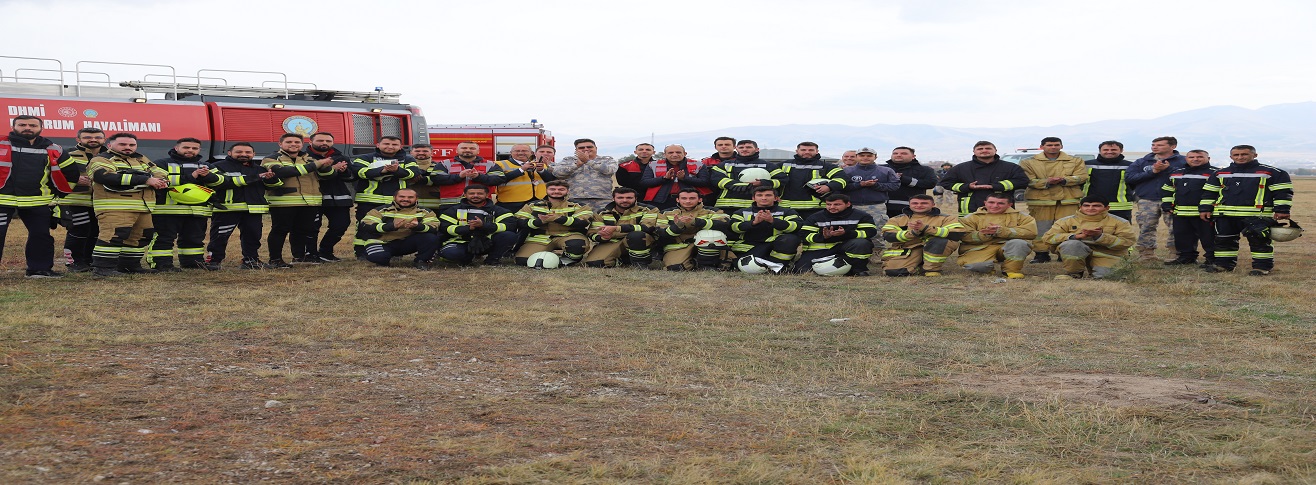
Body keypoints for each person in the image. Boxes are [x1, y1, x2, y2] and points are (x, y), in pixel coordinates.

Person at [1199, 145, 1294, 276]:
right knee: (1223, 241)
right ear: (1231, 157)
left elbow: (1282, 192)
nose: (1240, 157)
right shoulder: (1220, 173)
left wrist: (1282, 210)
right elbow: (1209, 193)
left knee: (1260, 243)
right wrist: (1205, 208)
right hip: (1225, 215)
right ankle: (1224, 265)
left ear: (1255, 155)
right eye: (1236, 155)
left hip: (1257, 216)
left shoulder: (1273, 173)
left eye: (1244, 154)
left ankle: (1262, 267)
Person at [85, 133, 169, 276]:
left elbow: (160, 172)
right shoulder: (101, 159)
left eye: (132, 145)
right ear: (110, 145)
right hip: (114, 206)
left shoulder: (141, 159)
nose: (128, 148)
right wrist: (145, 180)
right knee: (113, 236)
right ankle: (103, 269)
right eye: (123, 144)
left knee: (141, 236)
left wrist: (161, 181)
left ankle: (129, 266)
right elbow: (104, 176)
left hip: (144, 206)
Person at [0, 115, 73, 278]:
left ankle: (39, 270)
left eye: (32, 125)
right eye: (22, 124)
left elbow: (71, 173)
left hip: (37, 201)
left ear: (41, 128)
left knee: (41, 236)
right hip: (2, 200)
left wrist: (61, 194)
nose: (27, 127)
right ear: (13, 127)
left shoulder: (54, 149)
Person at [147, 138, 221, 271]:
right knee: (164, 238)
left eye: (194, 148)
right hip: (168, 209)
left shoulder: (207, 166)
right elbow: (161, 181)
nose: (190, 150)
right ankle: (161, 264)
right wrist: (192, 176)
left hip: (197, 210)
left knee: (194, 238)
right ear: (176, 148)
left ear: (199, 150)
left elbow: (221, 181)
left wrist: (208, 176)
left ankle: (193, 262)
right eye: (186, 147)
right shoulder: (161, 163)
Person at [263, 133, 336, 267]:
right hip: (283, 202)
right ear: (280, 144)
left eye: (297, 142)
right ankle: (275, 260)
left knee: (302, 230)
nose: (293, 144)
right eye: (289, 142)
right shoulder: (271, 158)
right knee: (280, 230)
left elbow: (327, 176)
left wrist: (326, 167)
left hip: (310, 201)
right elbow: (282, 173)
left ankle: (299, 257)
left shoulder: (309, 159)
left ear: (302, 144)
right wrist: (317, 164)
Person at [204, 143, 280, 270]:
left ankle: (251, 261)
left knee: (253, 236)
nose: (244, 154)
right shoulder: (218, 167)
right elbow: (220, 183)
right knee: (220, 236)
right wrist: (255, 177)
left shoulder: (260, 169)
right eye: (239, 152)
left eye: (248, 152)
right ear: (229, 153)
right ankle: (214, 261)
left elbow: (274, 186)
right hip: (227, 208)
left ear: (254, 155)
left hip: (254, 209)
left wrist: (270, 179)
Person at [1020, 137, 1089, 264]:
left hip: (1068, 200)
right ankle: (1041, 254)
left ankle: (1064, 253)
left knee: (1067, 227)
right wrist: (1046, 182)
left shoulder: (1075, 161)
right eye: (1049, 145)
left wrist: (1064, 180)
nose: (1053, 147)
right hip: (1041, 201)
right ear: (1041, 147)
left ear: (1061, 146)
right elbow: (1028, 180)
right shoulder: (1028, 162)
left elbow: (1082, 176)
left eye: (1056, 145)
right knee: (1041, 228)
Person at [350, 136, 420, 258]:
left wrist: (397, 170)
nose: (390, 146)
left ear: (400, 147)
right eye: (386, 144)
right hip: (368, 200)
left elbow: (413, 173)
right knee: (365, 226)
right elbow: (359, 172)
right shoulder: (365, 158)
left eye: (394, 144)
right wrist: (382, 171)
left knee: (395, 227)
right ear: (378, 145)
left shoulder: (408, 159)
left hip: (396, 202)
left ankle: (394, 252)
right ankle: (361, 252)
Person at [1039, 197, 1136, 279]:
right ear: (1080, 207)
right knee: (1072, 244)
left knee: (1108, 277)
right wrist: (1075, 236)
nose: (1090, 208)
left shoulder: (1120, 222)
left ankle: (1098, 270)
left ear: (1107, 208)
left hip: (1106, 253)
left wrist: (1100, 236)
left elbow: (1127, 241)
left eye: (1096, 206)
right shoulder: (1066, 221)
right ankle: (1074, 273)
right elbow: (1048, 238)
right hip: (1077, 249)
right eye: (1086, 205)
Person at [1126, 136, 1186, 262]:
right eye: (1153, 144)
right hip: (1147, 199)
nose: (1155, 147)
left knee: (1176, 227)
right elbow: (1130, 178)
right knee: (1146, 226)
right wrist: (1153, 171)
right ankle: (1147, 255)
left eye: (1160, 145)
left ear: (1173, 146)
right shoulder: (1142, 162)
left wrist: (1168, 169)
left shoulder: (1183, 161)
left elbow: (1187, 177)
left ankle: (1176, 254)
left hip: (1173, 200)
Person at [55, 127, 105, 272]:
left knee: (96, 231)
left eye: (97, 137)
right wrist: (74, 179)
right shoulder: (67, 154)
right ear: (78, 139)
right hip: (74, 201)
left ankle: (88, 261)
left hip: (100, 202)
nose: (93, 139)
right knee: (79, 230)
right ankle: (74, 263)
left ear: (104, 140)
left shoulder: (109, 156)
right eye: (88, 137)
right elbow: (50, 172)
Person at [881, 194, 965, 277]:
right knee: (894, 272)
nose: (919, 205)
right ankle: (919, 267)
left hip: (934, 246)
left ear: (933, 205)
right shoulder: (896, 219)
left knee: (940, 241)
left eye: (924, 203)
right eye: (915, 203)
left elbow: (957, 234)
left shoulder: (947, 218)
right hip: (909, 249)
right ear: (909, 205)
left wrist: (926, 228)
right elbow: (889, 236)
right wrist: (913, 233)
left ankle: (931, 269)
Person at [957, 192, 1037, 278]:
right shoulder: (971, 217)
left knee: (1019, 244)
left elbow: (1031, 232)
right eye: (991, 202)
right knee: (978, 267)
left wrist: (1002, 231)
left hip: (1006, 246)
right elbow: (964, 236)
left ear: (1009, 205)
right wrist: (983, 234)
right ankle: (987, 268)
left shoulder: (1022, 217)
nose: (995, 206)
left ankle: (1011, 271)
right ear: (985, 203)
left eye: (1001, 203)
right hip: (980, 248)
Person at [514, 180, 594, 266]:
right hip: (540, 237)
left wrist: (558, 218)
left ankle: (566, 260)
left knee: (577, 245)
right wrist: (540, 221)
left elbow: (584, 222)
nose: (556, 192)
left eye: (561, 189)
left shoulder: (577, 205)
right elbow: (519, 221)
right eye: (552, 189)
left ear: (567, 191)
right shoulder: (532, 205)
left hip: (569, 235)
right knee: (523, 261)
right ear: (546, 190)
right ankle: (548, 256)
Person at [938, 141, 1028, 216]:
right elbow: (946, 183)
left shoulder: (1011, 167)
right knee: (970, 236)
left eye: (988, 148)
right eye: (980, 149)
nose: (984, 150)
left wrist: (996, 186)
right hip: (970, 209)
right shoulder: (960, 168)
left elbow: (1022, 181)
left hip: (1002, 209)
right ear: (974, 151)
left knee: (1003, 233)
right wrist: (967, 186)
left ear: (995, 150)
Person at [1160, 149, 1217, 267]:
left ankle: (1212, 259)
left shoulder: (1215, 173)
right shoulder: (1176, 173)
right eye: (1191, 157)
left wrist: (1209, 208)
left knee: (1209, 238)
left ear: (1208, 158)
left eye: (1199, 157)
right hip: (1181, 213)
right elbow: (1167, 190)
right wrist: (1167, 204)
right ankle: (1186, 257)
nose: (1195, 159)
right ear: (1186, 159)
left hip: (1205, 214)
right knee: (1182, 237)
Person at [358, 189, 441, 269]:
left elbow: (434, 227)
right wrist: (391, 226)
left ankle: (422, 261)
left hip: (407, 243)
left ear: (416, 199)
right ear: (394, 197)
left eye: (410, 197)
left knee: (430, 237)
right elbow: (366, 226)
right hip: (382, 242)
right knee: (379, 258)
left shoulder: (425, 211)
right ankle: (383, 260)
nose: (405, 199)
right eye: (402, 197)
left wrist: (418, 226)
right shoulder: (380, 210)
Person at [436, 184, 518, 266]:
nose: (475, 196)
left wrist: (484, 225)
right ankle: (467, 258)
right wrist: (468, 228)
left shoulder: (499, 210)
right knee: (450, 253)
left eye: (480, 194)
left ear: (487, 195)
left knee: (509, 235)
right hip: (462, 242)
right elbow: (444, 227)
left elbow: (510, 225)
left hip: (488, 242)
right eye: (471, 193)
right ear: (465, 195)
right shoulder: (453, 210)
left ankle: (492, 259)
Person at [796, 193, 877, 276]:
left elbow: (870, 231)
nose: (832, 207)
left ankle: (858, 269)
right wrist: (823, 237)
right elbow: (804, 234)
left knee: (861, 243)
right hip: (819, 250)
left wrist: (846, 233)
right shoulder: (815, 217)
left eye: (837, 204)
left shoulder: (861, 216)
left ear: (848, 204)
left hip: (845, 249)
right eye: (828, 204)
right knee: (802, 271)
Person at [727, 186, 801, 274]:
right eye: (759, 195)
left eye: (768, 195)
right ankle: (772, 267)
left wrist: (773, 221)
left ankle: (777, 268)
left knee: (791, 239)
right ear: (753, 198)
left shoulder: (788, 212)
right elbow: (733, 227)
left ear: (776, 198)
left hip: (773, 246)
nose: (764, 198)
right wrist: (753, 222)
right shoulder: (741, 212)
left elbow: (796, 226)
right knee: (743, 266)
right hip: (749, 248)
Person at [583, 187, 661, 268]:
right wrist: (603, 238)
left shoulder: (649, 210)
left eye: (629, 198)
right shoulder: (601, 213)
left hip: (638, 241)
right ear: (613, 198)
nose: (624, 200)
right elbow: (592, 233)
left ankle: (640, 264)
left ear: (636, 198)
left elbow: (648, 228)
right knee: (595, 264)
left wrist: (617, 228)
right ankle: (624, 260)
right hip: (612, 242)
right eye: (620, 197)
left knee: (637, 236)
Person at [655, 188, 730, 271]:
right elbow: (661, 233)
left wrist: (697, 221)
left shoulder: (713, 211)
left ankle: (708, 264)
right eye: (684, 198)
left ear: (700, 199)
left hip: (708, 244)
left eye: (692, 198)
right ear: (677, 200)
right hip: (679, 246)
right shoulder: (665, 213)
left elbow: (724, 224)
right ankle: (696, 262)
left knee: (712, 237)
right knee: (675, 268)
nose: (688, 201)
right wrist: (678, 227)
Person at [306, 132, 353, 262]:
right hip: (313, 197)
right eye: (320, 140)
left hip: (339, 197)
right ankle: (310, 255)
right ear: (310, 142)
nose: (324, 143)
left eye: (328, 141)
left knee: (341, 225)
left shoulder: (341, 157)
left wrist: (344, 171)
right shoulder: (304, 157)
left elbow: (351, 178)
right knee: (311, 228)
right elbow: (310, 175)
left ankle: (325, 252)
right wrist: (333, 169)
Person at [775, 141, 846, 219]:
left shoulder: (826, 166)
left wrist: (829, 186)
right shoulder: (783, 165)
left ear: (817, 151)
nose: (807, 152)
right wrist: (775, 194)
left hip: (816, 209)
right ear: (797, 151)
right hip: (787, 208)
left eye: (811, 150)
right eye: (803, 150)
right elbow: (770, 180)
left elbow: (842, 178)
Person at [842, 147, 900, 236]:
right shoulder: (846, 171)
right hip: (852, 206)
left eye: (869, 155)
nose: (865, 157)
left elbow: (895, 185)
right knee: (851, 230)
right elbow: (841, 187)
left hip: (876, 207)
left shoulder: (886, 170)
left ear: (875, 157)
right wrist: (859, 185)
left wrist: (875, 185)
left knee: (877, 231)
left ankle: (878, 249)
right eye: (862, 155)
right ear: (857, 157)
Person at [711, 140, 783, 210]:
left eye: (749, 147)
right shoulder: (725, 164)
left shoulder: (768, 165)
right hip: (728, 205)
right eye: (741, 147)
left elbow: (782, 179)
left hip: (759, 206)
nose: (744, 149)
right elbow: (717, 180)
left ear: (757, 149)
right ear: (736, 149)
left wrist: (762, 183)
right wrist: (740, 185)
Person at [551, 138, 617, 212]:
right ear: (576, 150)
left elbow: (610, 170)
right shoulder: (568, 160)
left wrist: (589, 161)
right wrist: (576, 165)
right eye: (581, 148)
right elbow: (557, 173)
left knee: (601, 222)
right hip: (575, 199)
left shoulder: (607, 160)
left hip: (602, 199)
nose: (586, 149)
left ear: (596, 148)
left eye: (589, 147)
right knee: (579, 222)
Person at [638, 144, 711, 210]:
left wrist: (684, 178)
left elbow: (705, 182)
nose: (675, 155)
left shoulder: (698, 164)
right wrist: (664, 178)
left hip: (690, 200)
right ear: (664, 154)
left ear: (685, 154)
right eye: (670, 153)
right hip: (661, 200)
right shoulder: (653, 164)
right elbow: (644, 182)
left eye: (678, 152)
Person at [433, 141, 503, 208]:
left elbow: (499, 180)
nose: (468, 150)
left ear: (478, 151)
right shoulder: (444, 164)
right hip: (450, 205)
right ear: (457, 150)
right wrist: (459, 176)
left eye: (472, 148)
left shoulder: (490, 164)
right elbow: (436, 179)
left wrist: (478, 177)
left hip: (481, 205)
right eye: (464, 148)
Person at [490, 143, 555, 213]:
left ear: (532, 153)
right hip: (510, 203)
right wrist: (521, 170)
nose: (521, 153)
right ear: (511, 153)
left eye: (524, 151)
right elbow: (494, 181)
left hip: (538, 202)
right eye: (517, 151)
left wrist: (541, 170)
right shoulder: (499, 164)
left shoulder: (539, 164)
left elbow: (551, 181)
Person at [1083, 141, 1134, 221]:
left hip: (1121, 207)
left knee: (1120, 232)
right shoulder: (1085, 165)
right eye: (1106, 149)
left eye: (1113, 149)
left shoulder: (1131, 166)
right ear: (1100, 151)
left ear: (1121, 150)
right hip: (1091, 205)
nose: (1109, 152)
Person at [883, 146, 939, 218]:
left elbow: (930, 183)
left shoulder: (924, 170)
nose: (898, 155)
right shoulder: (882, 169)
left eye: (904, 153)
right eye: (895, 153)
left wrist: (905, 179)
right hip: (883, 209)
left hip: (911, 209)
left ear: (913, 156)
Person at [407, 143, 449, 211]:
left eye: (425, 151)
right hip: (409, 205)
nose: (421, 153)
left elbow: (441, 180)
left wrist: (421, 179)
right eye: (417, 151)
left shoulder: (440, 166)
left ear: (432, 153)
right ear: (411, 153)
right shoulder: (405, 166)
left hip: (435, 207)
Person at [697, 136, 737, 207]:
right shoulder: (706, 162)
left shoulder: (741, 162)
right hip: (710, 194)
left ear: (734, 146)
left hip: (734, 191)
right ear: (715, 147)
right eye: (720, 145)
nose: (723, 147)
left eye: (727, 144)